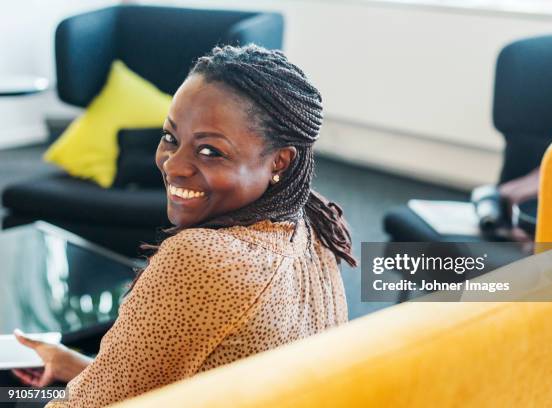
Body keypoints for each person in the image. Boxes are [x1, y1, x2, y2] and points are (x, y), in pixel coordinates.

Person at [11, 44, 356, 407]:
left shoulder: (202, 261)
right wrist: (78, 366)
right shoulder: (313, 222)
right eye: (171, 138)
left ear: (280, 162)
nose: (173, 165)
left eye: (210, 151)